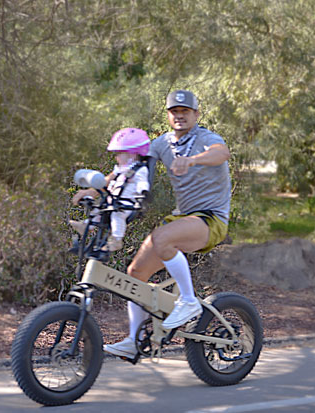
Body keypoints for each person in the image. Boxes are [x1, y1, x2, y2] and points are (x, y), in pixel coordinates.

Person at [73, 90, 231, 359]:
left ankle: (190, 302)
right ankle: (136, 340)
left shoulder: (206, 139)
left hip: (211, 218)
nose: (179, 115)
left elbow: (221, 153)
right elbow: (129, 166)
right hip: (182, 218)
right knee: (135, 274)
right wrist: (98, 190)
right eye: (174, 111)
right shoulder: (161, 144)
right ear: (168, 115)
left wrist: (192, 160)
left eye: (185, 111)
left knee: (162, 237)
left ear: (196, 114)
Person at [70, 128, 151, 251]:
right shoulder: (120, 169)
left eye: (119, 153)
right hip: (113, 200)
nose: (116, 157)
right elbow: (107, 179)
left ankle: (116, 239)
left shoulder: (140, 170)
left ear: (132, 154)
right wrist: (92, 189)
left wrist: (143, 194)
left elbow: (142, 183)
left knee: (117, 215)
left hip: (125, 204)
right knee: (99, 209)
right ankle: (86, 225)